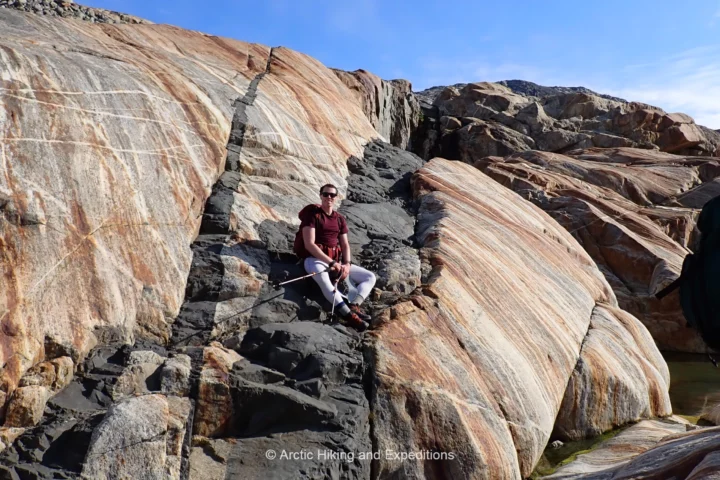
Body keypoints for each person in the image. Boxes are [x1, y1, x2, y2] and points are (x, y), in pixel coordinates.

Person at [299, 184, 376, 330]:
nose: (329, 197)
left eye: (332, 195)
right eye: (326, 194)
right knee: (323, 279)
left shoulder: (339, 219)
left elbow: (345, 244)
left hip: (337, 262)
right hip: (315, 260)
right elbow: (309, 244)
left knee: (370, 277)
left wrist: (346, 264)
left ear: (336, 198)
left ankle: (354, 306)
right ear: (321, 195)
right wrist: (332, 262)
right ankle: (347, 315)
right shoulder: (312, 216)